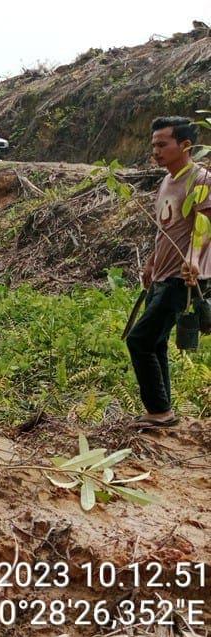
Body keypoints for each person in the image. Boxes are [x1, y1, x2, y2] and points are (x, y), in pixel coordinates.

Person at [126, 116, 211, 428]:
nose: (156, 151)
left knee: (140, 341)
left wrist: (194, 259)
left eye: (163, 144)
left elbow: (204, 225)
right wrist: (151, 263)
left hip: (184, 277)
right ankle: (163, 410)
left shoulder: (200, 179)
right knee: (155, 342)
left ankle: (159, 412)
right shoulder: (167, 180)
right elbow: (167, 230)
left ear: (185, 146)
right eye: (153, 145)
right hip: (163, 275)